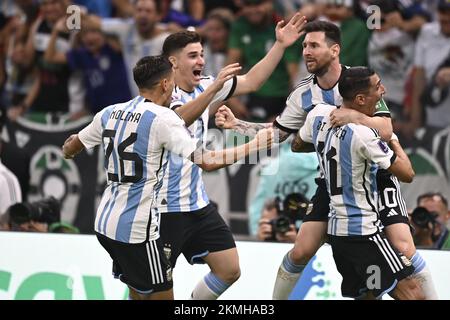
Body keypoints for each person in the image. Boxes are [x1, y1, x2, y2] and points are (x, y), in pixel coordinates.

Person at [215, 19, 437, 299]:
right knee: (301, 250)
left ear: (335, 51)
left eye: (314, 46)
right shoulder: (304, 95)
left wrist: (353, 116)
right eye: (304, 45)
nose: (306, 51)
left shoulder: (360, 80)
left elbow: (386, 129)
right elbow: (282, 135)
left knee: (404, 247)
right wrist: (239, 125)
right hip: (334, 182)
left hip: (377, 175)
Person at [61, 55, 273, 300]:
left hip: (105, 223)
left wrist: (69, 148)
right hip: (137, 231)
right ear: (164, 84)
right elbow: (207, 161)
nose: (174, 88)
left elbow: (70, 148)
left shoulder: (110, 112)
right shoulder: (163, 119)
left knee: (141, 293)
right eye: (172, 81)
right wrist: (253, 145)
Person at [158, 13, 307, 300]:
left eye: (202, 54)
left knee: (228, 269)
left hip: (195, 203)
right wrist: (214, 91)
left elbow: (251, 81)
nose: (201, 61)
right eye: (192, 56)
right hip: (163, 208)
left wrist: (280, 45)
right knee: (152, 288)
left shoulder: (204, 86)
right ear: (173, 62)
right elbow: (177, 122)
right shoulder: (162, 97)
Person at [294, 66, 421, 299]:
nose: (383, 90)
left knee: (368, 295)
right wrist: (392, 139)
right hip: (364, 233)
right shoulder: (364, 134)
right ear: (361, 99)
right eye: (377, 87)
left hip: (338, 235)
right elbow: (407, 173)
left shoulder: (318, 115)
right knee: (414, 294)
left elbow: (297, 145)